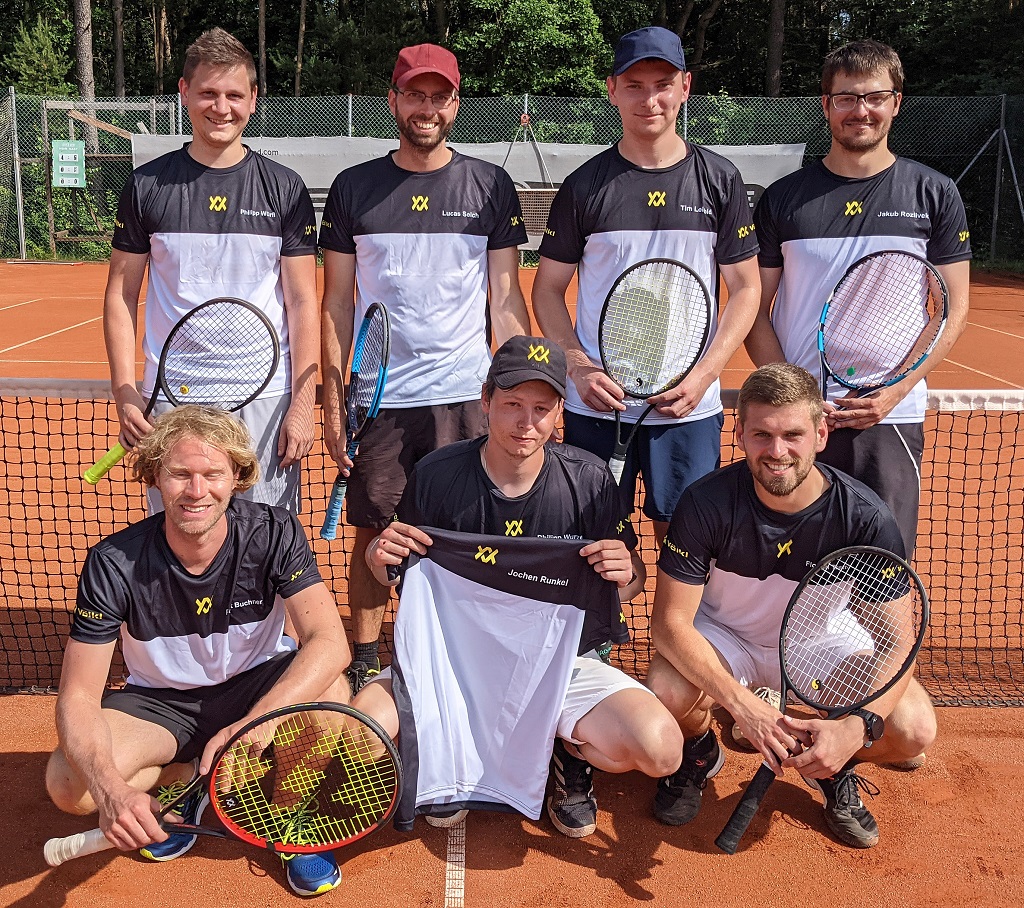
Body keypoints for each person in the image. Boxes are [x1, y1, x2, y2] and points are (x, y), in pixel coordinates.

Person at [354, 336, 683, 838]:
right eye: (511, 405)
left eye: (541, 408)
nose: (525, 423)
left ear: (557, 415)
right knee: (359, 738)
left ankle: (565, 751)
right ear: (485, 402)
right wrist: (380, 558)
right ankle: (443, 747)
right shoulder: (438, 475)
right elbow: (395, 572)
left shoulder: (590, 481)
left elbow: (630, 586)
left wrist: (627, 572)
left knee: (660, 748)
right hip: (454, 662)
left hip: (561, 661)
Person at [45, 406, 351, 897]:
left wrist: (254, 726)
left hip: (258, 680)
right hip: (161, 703)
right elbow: (78, 695)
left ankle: (290, 815)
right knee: (68, 785)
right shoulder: (113, 563)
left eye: (213, 474)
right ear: (154, 477)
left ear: (237, 478)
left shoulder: (274, 532)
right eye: (180, 474)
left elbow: (330, 643)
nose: (196, 490)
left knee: (331, 695)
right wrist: (111, 792)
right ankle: (185, 783)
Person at [645, 363, 937, 849]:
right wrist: (742, 707)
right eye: (761, 434)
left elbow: (896, 643)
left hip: (818, 644)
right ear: (738, 432)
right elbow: (670, 625)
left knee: (912, 729)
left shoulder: (865, 518)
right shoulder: (706, 503)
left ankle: (830, 762)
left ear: (821, 433)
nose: (776, 452)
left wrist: (853, 729)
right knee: (665, 693)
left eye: (793, 435)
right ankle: (699, 753)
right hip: (727, 640)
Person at [319, 42, 531, 693]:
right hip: (382, 404)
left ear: (456, 105)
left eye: (440, 96)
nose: (427, 107)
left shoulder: (489, 185)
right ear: (394, 100)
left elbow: (505, 297)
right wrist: (333, 401)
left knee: (467, 535)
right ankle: (364, 658)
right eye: (415, 94)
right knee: (374, 535)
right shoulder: (355, 188)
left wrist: (518, 392)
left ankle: (452, 654)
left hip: (466, 398)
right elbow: (335, 304)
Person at [532, 26, 760, 545]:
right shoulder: (584, 186)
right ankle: (601, 631)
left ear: (685, 87)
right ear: (612, 90)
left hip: (687, 407)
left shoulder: (719, 180)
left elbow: (746, 289)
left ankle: (676, 630)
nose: (649, 99)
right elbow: (546, 289)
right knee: (591, 536)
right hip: (598, 404)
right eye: (634, 85)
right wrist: (579, 365)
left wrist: (705, 375)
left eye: (662, 84)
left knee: (686, 539)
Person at [748, 39, 971, 558]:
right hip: (804, 420)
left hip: (890, 417)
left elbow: (952, 309)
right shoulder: (784, 199)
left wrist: (896, 389)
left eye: (874, 97)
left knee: (883, 568)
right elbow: (756, 311)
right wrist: (796, 398)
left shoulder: (933, 194)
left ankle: (881, 646)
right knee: (799, 563)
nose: (860, 110)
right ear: (826, 105)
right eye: (846, 98)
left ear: (896, 102)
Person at [105, 27, 319, 513]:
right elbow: (120, 294)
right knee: (182, 537)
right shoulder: (147, 187)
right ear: (184, 93)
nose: (221, 107)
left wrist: (302, 405)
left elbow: (304, 300)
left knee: (266, 544)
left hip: (267, 399)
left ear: (254, 99)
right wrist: (124, 391)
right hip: (174, 397)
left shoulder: (285, 188)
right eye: (208, 93)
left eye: (234, 95)